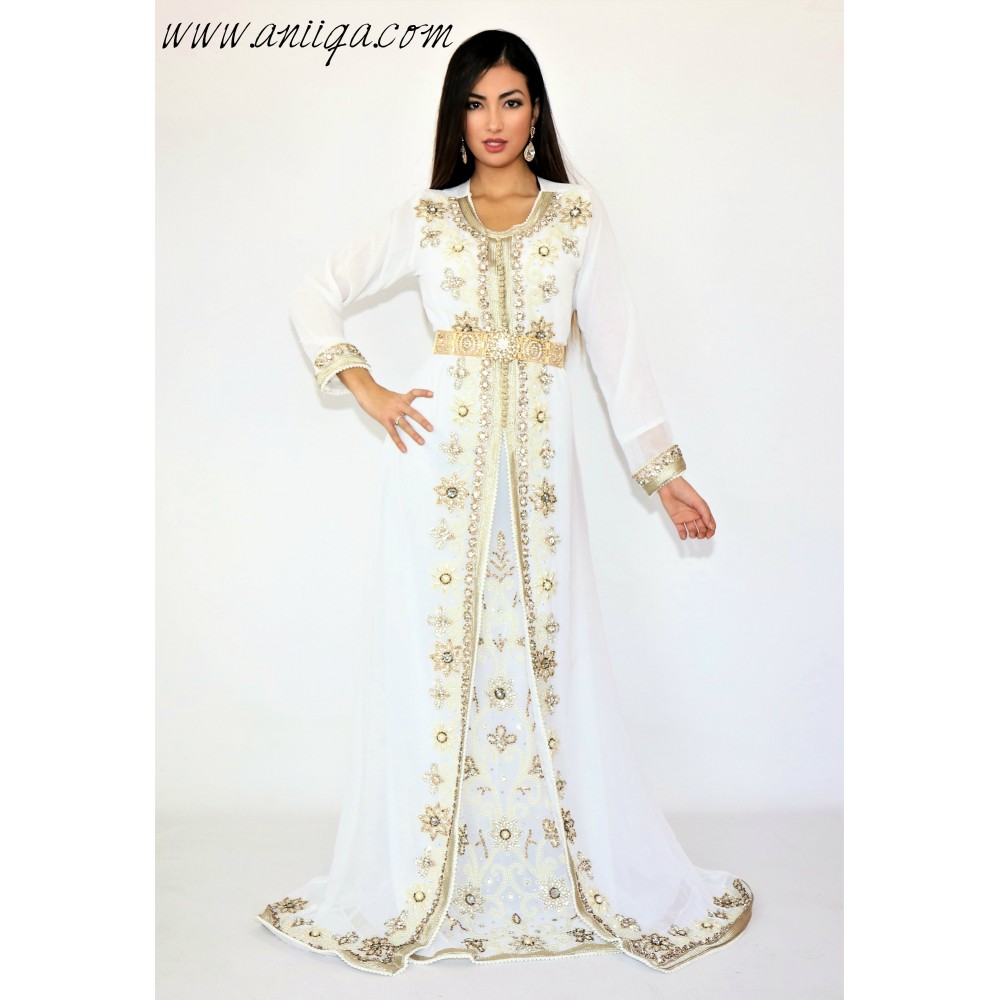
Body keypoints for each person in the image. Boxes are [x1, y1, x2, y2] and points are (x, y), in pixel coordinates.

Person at [257, 29, 753, 977]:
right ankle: (432, 870)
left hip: (541, 475)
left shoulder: (576, 217)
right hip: (434, 474)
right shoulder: (426, 218)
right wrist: (367, 388)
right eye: (477, 102)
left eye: (512, 100)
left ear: (535, 112)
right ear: (457, 115)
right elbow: (315, 294)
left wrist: (664, 473)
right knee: (437, 659)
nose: (494, 121)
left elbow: (619, 357)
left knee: (546, 649)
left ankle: (553, 856)